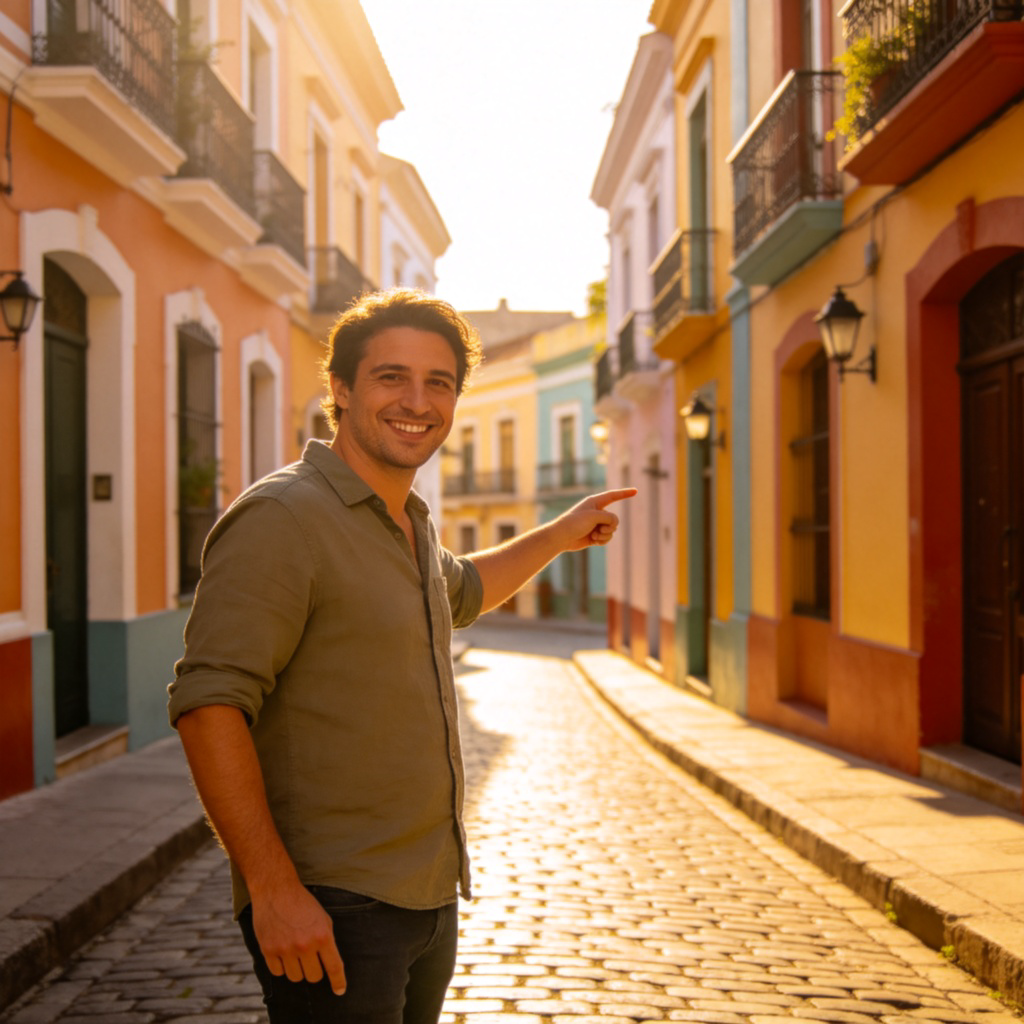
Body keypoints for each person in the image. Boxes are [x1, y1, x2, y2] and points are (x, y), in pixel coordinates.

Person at [168, 288, 635, 1024]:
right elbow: (208, 704)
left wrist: (558, 533)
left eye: (439, 383)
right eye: (391, 377)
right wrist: (274, 889)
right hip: (335, 902)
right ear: (342, 389)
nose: (417, 401)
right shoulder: (283, 517)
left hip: (425, 898)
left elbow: (467, 589)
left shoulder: (406, 525)